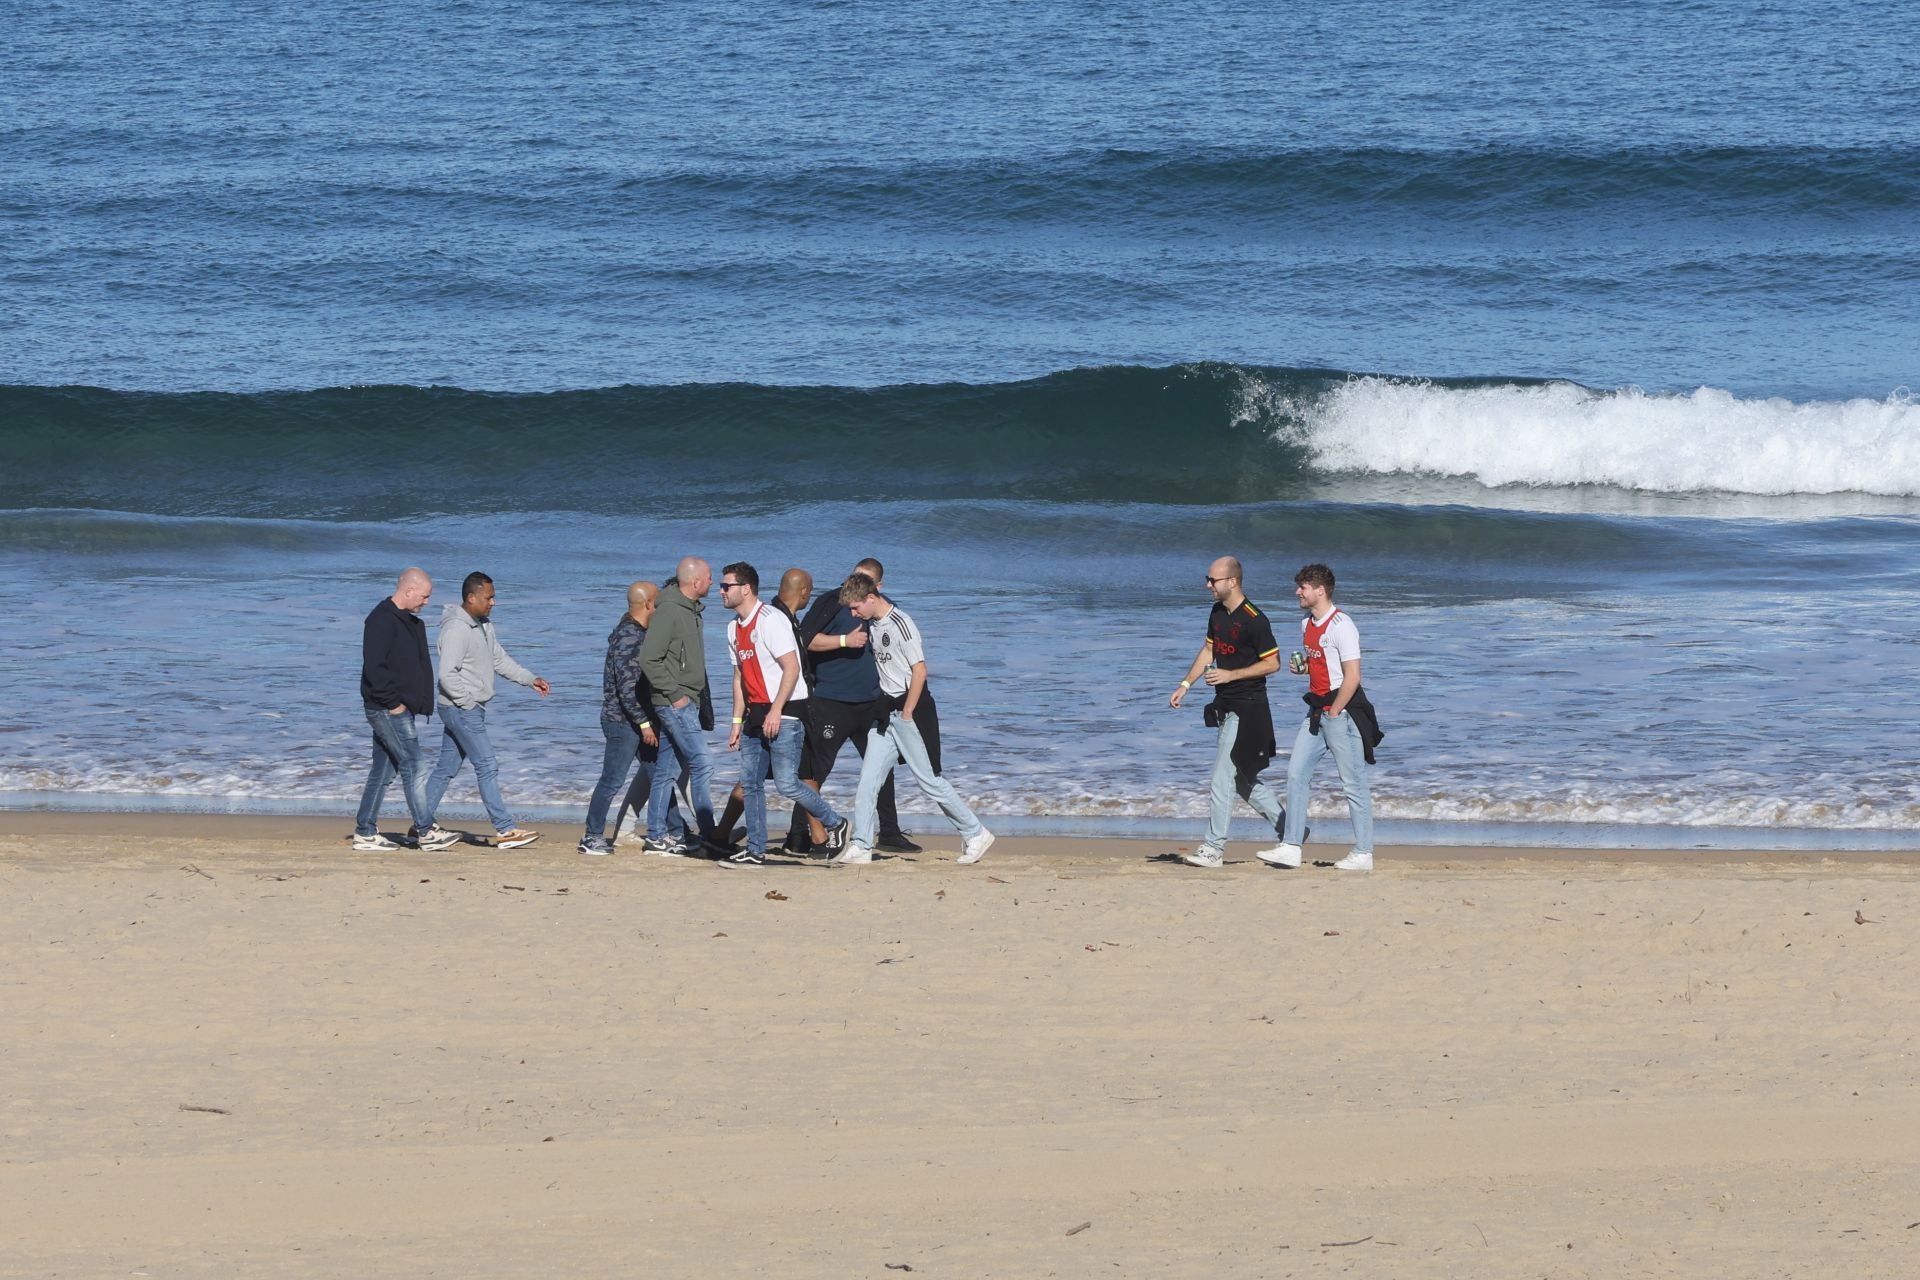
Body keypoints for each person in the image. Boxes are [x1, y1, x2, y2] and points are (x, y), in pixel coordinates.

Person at [835, 573, 993, 865]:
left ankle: (975, 833)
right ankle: (861, 845)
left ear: (871, 598)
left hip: (911, 712)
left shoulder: (901, 623)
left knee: (930, 781)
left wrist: (907, 713)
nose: (853, 614)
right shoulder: (873, 624)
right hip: (885, 715)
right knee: (868, 781)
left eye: (856, 608)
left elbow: (920, 671)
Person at [719, 562, 851, 865]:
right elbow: (739, 677)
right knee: (750, 784)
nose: (721, 592)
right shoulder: (732, 628)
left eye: (726, 586)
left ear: (746, 589)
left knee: (787, 783)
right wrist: (736, 721)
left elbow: (792, 667)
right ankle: (756, 850)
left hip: (786, 712)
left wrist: (777, 710)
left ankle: (836, 823)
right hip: (755, 714)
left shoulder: (770, 620)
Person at [1167, 556, 1289, 869]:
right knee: (1242, 779)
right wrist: (1185, 684)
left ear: (1232, 581)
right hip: (1226, 704)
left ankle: (1213, 848)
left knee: (1222, 779)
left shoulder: (1255, 620)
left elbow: (1273, 663)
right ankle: (1291, 831)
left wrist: (1231, 675)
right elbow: (1209, 650)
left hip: (1249, 707)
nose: (1208, 585)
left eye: (1213, 580)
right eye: (1207, 579)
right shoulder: (1217, 612)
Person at [797, 557, 919, 854]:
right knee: (815, 770)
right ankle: (799, 835)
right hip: (831, 700)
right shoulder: (831, 602)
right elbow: (803, 640)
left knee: (882, 768)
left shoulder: (887, 609)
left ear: (878, 588)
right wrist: (843, 640)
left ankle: (889, 833)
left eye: (865, 582)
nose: (855, 587)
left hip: (872, 703)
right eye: (854, 578)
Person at [1262, 564, 1378, 872]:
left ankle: (1363, 852)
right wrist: (1304, 668)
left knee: (1352, 783)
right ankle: (1291, 846)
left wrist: (1336, 711)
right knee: (1295, 775)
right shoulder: (1306, 624)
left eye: (1303, 587)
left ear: (1320, 590)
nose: (1297, 592)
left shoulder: (1342, 625)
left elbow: (1352, 676)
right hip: (1314, 714)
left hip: (1341, 715)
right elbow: (1322, 666)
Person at [422, 572, 549, 849]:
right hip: (460, 708)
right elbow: (446, 674)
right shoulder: (456, 629)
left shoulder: (483, 625)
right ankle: (505, 829)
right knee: (487, 765)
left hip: (467, 708)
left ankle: (421, 823)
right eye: (488, 598)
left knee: (446, 767)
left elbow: (498, 660)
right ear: (471, 598)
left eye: (493, 597)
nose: (493, 602)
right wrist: (467, 703)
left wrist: (530, 679)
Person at [354, 568, 458, 851]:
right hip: (387, 709)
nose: (426, 602)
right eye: (424, 596)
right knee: (414, 764)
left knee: (383, 772)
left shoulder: (410, 621)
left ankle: (365, 831)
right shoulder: (381, 619)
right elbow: (374, 668)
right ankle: (426, 830)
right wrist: (394, 704)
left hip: (400, 708)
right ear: (409, 590)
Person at [578, 580, 663, 856]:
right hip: (622, 723)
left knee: (659, 775)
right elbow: (628, 689)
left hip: (637, 721)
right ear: (647, 604)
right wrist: (644, 723)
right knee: (612, 780)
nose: (660, 608)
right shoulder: (628, 635)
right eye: (658, 603)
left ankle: (675, 831)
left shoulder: (638, 632)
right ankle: (591, 836)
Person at [639, 555, 717, 852]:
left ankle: (656, 835)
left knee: (666, 770)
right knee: (702, 761)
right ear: (695, 581)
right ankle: (710, 833)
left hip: (687, 700)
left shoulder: (692, 610)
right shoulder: (670, 610)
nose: (712, 582)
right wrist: (675, 694)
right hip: (674, 702)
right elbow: (649, 659)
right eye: (709, 577)